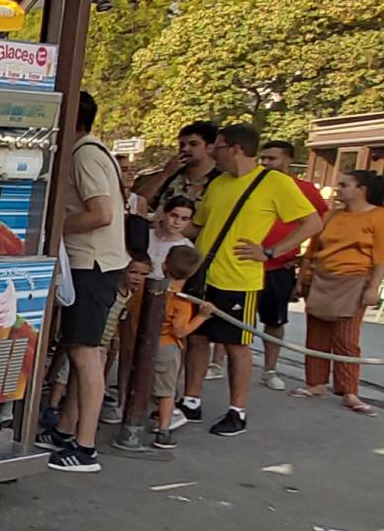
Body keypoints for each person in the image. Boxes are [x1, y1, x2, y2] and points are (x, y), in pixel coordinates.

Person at [178, 123, 320, 436]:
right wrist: (165, 226)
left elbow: (312, 222)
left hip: (239, 278)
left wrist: (271, 252)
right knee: (197, 338)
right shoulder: (218, 184)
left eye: (219, 146)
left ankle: (237, 410)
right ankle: (191, 399)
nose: (214, 152)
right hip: (204, 272)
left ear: (237, 149)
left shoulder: (274, 183)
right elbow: (199, 226)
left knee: (236, 344)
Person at [46, 92, 130, 475]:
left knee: (86, 352)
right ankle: (67, 431)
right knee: (80, 349)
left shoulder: (85, 154)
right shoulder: (92, 152)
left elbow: (101, 213)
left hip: (92, 264)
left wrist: (54, 230)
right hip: (92, 263)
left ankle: (86, 445)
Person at [301, 168, 384, 414]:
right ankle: (315, 383)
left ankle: (349, 390)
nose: (338, 189)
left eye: (345, 185)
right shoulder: (331, 216)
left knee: (346, 337)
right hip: (323, 277)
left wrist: (374, 286)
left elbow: (383, 255)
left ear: (361, 190)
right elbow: (313, 248)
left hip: (355, 279)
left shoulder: (380, 216)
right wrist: (305, 277)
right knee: (316, 332)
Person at [252, 141, 329, 395]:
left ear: (287, 160)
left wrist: (307, 252)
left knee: (274, 319)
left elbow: (321, 219)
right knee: (234, 315)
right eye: (262, 158)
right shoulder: (252, 182)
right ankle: (216, 362)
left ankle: (270, 369)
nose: (265, 163)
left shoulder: (303, 188)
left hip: (279, 264)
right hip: (245, 261)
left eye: (271, 159)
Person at [152, 244, 207, 450]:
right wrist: (201, 316)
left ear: (165, 265)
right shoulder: (181, 300)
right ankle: (164, 429)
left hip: (146, 343)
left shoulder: (153, 289)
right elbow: (180, 331)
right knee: (167, 392)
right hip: (167, 346)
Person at [133, 120, 219, 215]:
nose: (184, 149)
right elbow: (138, 201)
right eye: (182, 145)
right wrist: (165, 174)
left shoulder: (218, 179)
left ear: (210, 148)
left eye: (193, 144)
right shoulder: (172, 175)